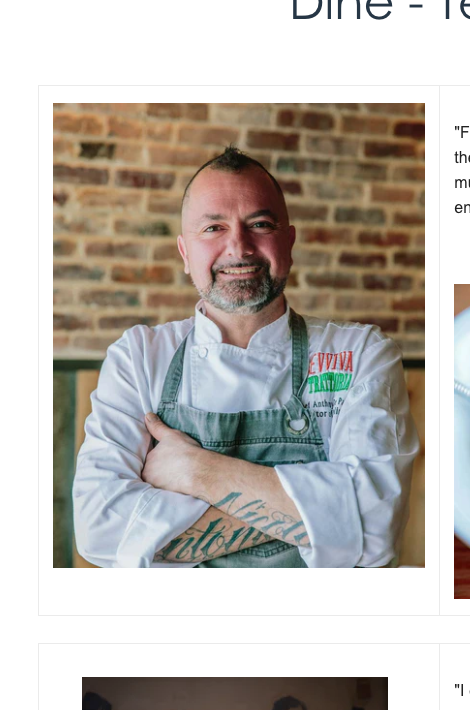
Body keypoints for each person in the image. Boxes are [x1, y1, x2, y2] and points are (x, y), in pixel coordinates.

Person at [73, 146, 418, 568]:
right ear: (185, 253)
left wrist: (197, 472)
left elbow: (376, 529)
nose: (239, 246)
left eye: (260, 223)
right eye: (213, 227)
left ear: (288, 242)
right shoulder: (138, 357)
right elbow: (100, 530)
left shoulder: (361, 353)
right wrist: (329, 517)